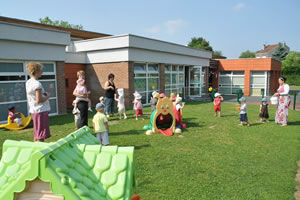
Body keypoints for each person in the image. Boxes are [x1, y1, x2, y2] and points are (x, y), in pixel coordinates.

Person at [26, 62, 51, 142]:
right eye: (41, 70)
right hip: (41, 111)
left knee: (36, 133)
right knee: (41, 135)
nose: (42, 72)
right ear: (36, 71)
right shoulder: (37, 84)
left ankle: (35, 149)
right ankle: (40, 152)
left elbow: (33, 96)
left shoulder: (28, 82)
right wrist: (48, 96)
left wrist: (43, 94)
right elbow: (39, 100)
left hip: (34, 110)